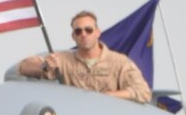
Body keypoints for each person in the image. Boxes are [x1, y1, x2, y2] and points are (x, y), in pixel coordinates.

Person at [18, 12, 150, 102]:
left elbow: (143, 92)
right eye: (78, 31)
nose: (84, 34)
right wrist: (45, 66)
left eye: (88, 30)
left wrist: (112, 95)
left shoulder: (119, 62)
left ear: (97, 33)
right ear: (73, 36)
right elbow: (23, 67)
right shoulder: (63, 60)